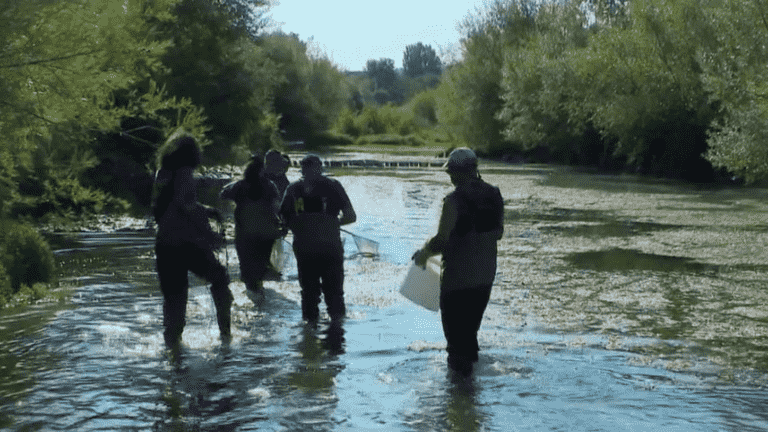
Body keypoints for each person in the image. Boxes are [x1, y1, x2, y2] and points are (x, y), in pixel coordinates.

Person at [411, 147, 504, 377]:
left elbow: (442, 240)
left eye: (451, 172)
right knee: (470, 334)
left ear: (460, 171)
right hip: (484, 277)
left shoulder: (453, 200)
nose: (450, 177)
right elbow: (498, 233)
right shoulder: (494, 195)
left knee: (455, 342)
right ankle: (471, 391)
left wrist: (423, 253)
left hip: (457, 280)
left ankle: (459, 399)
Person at [151, 130, 233, 348]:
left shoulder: (162, 174)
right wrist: (211, 236)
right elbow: (187, 207)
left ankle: (173, 353)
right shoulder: (185, 173)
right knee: (221, 279)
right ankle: (226, 335)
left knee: (175, 301)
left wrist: (207, 210)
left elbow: (172, 206)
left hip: (165, 246)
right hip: (188, 245)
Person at [279, 154, 356, 323]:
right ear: (320, 168)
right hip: (331, 247)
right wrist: (334, 223)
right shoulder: (334, 186)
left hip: (305, 248)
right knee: (335, 295)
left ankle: (309, 337)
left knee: (309, 294)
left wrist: (296, 226)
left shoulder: (293, 189)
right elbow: (351, 216)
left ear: (302, 169)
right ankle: (337, 338)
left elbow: (283, 220)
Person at [220, 154, 283, 303]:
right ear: (262, 170)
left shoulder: (240, 185)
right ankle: (260, 294)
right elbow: (277, 208)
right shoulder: (269, 185)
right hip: (266, 234)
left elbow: (223, 194)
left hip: (244, 235)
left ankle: (255, 295)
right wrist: (282, 225)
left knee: (247, 267)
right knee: (261, 264)